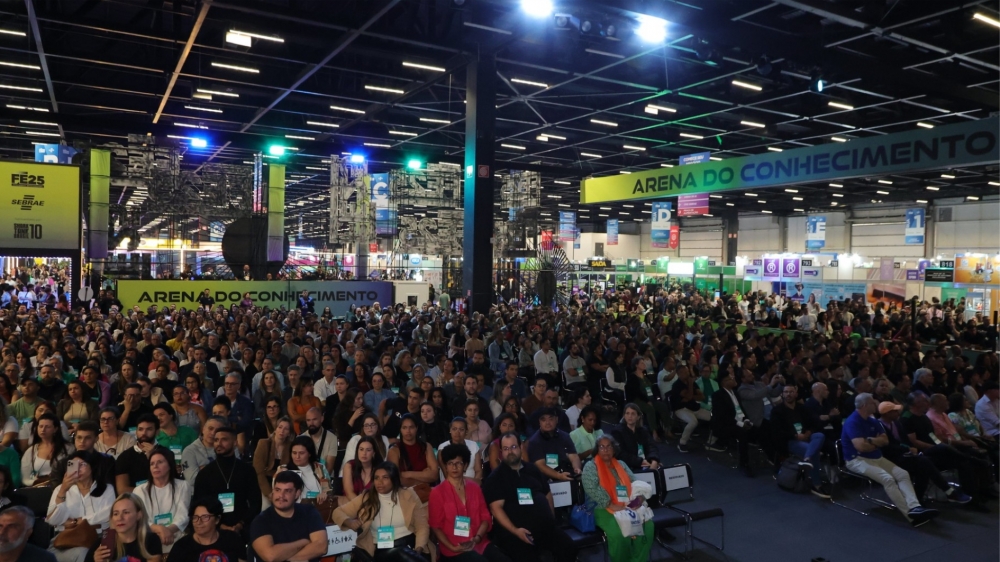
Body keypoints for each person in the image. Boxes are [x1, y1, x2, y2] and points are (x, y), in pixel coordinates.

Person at [841, 393, 940, 527]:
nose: (875, 404)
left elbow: (885, 440)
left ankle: (915, 507)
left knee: (902, 474)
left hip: (876, 457)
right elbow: (861, 447)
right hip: (857, 460)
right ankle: (910, 515)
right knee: (888, 479)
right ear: (864, 405)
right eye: (872, 402)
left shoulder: (872, 420)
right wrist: (876, 442)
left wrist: (870, 440)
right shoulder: (852, 421)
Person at [482, 433, 577, 562]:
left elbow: (547, 494)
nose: (510, 452)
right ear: (501, 452)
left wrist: (550, 520)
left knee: (569, 548)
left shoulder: (532, 469)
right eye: (506, 448)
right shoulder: (496, 478)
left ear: (521, 447)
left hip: (545, 528)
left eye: (513, 447)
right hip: (515, 533)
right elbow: (496, 509)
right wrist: (516, 530)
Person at [332, 462, 431, 561]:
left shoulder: (408, 495)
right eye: (376, 478)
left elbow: (422, 526)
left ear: (394, 479)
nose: (380, 482)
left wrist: (418, 550)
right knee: (397, 553)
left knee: (402, 552)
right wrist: (349, 522)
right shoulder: (366, 497)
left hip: (409, 545)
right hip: (381, 550)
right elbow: (337, 512)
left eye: (385, 478)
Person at [429, 443, 511, 562]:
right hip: (454, 548)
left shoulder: (475, 488)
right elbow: (436, 527)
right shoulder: (437, 492)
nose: (454, 467)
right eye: (450, 463)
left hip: (479, 542)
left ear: (465, 465)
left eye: (459, 463)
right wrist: (452, 547)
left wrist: (477, 538)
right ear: (445, 466)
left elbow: (485, 518)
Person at [581, 434, 654, 562]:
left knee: (647, 527)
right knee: (619, 534)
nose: (605, 450)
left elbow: (635, 482)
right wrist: (610, 504)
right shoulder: (591, 466)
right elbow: (591, 488)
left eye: (609, 446)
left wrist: (640, 498)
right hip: (602, 508)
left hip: (626, 505)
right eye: (602, 447)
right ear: (597, 450)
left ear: (614, 449)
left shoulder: (621, 464)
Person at [193, 427, 261, 541]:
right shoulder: (205, 474)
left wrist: (240, 524)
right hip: (212, 526)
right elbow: (198, 504)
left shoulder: (247, 470)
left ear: (235, 443)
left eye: (224, 439)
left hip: (243, 525)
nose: (219, 443)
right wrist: (220, 525)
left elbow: (256, 503)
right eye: (216, 440)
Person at [45, 450, 114, 562]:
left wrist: (78, 521)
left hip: (99, 538)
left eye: (82, 465)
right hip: (65, 540)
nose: (77, 469)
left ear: (92, 467)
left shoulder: (106, 489)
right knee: (83, 553)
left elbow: (108, 515)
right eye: (73, 465)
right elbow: (52, 520)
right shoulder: (60, 489)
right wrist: (63, 490)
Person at [771, 385, 830, 498]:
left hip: (806, 437)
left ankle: (807, 458)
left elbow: (814, 423)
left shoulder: (802, 408)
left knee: (819, 435)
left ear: (796, 394)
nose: (788, 394)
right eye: (786, 392)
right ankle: (816, 484)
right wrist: (795, 436)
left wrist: (809, 432)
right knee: (814, 452)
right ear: (782, 394)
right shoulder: (777, 411)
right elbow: (777, 432)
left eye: (791, 392)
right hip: (790, 440)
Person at [133, 447, 190, 555]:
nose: (155, 466)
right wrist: (160, 529)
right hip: (149, 540)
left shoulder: (183, 486)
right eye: (152, 463)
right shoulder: (139, 490)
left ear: (170, 465)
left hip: (176, 538)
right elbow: (140, 519)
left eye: (160, 462)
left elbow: (183, 516)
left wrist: (168, 531)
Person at [166, 496, 247, 562]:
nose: (199, 522)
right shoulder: (182, 546)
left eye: (205, 517)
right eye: (195, 517)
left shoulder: (232, 539)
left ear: (217, 519)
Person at [708, 372, 757, 477]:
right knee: (743, 434)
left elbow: (741, 409)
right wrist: (741, 424)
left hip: (738, 421)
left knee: (759, 428)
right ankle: (744, 464)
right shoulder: (717, 396)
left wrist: (746, 420)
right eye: (730, 378)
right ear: (724, 382)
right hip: (725, 425)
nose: (734, 379)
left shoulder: (735, 393)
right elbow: (723, 416)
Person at [89, 493, 163, 562]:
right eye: (116, 514)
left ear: (139, 515)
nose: (119, 518)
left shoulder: (151, 540)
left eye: (126, 512)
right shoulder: (101, 545)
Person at [386, 414, 439, 503]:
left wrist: (407, 474)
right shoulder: (394, 450)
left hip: (427, 494)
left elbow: (434, 475)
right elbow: (396, 479)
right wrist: (423, 478)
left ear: (416, 428)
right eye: (404, 427)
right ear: (400, 429)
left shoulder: (426, 446)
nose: (408, 431)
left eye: (411, 427)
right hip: (404, 495)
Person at [526, 407, 581, 482]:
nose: (547, 422)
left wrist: (576, 468)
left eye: (551, 419)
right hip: (545, 480)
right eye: (543, 420)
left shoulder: (565, 436)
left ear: (556, 420)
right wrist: (559, 476)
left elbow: (574, 456)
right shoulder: (534, 441)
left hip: (566, 475)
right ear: (539, 422)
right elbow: (540, 465)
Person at [21, 412, 74, 486]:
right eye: (40, 426)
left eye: (47, 427)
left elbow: (72, 472)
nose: (43, 429)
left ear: (55, 429)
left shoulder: (68, 449)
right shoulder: (31, 451)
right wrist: (37, 483)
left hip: (61, 485)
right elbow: (25, 478)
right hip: (37, 487)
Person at [281, 436, 332, 508]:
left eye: (301, 453)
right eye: (294, 453)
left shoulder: (319, 467)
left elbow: (328, 489)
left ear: (309, 454)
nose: (297, 457)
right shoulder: (284, 470)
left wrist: (324, 494)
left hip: (317, 507)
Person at [668, 365, 710, 453]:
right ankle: (682, 443)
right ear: (679, 374)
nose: (687, 374)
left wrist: (689, 397)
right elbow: (689, 396)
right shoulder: (676, 385)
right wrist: (690, 385)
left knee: (713, 416)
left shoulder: (693, 383)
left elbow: (701, 397)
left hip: (694, 407)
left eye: (687, 371)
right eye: (684, 372)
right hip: (681, 409)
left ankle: (712, 441)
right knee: (693, 422)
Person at [115, 413, 158, 493]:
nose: (144, 433)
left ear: (157, 432)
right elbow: (122, 490)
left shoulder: (166, 454)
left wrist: (152, 457)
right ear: (136, 431)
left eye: (149, 429)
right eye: (140, 429)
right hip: (135, 499)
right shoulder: (125, 457)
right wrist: (147, 493)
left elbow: (168, 484)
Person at [252, 417, 293, 501]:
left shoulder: (291, 447)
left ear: (289, 433)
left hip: (282, 484)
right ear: (275, 429)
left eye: (286, 429)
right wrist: (269, 494)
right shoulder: (263, 443)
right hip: (264, 483)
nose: (282, 431)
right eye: (280, 427)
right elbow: (258, 472)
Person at [611, 403, 659, 472]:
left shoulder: (643, 430)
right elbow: (620, 454)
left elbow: (652, 446)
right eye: (627, 413)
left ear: (638, 417)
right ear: (624, 416)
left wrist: (654, 460)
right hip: (628, 467)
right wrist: (640, 461)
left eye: (633, 414)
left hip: (646, 463)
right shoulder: (617, 432)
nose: (630, 416)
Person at [181, 416, 229, 484]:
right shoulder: (189, 451)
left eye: (217, 431)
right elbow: (192, 480)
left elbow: (235, 475)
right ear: (203, 429)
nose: (213, 433)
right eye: (210, 428)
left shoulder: (230, 448)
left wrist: (205, 470)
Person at [341, 413, 390, 477]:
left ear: (377, 426)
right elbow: (349, 463)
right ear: (363, 427)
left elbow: (386, 462)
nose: (370, 428)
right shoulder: (355, 440)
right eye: (366, 425)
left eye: (373, 424)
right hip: (355, 474)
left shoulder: (384, 439)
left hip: (378, 475)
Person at [437, 417, 483, 485]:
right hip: (450, 486)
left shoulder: (473, 445)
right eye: (454, 429)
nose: (457, 432)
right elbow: (447, 475)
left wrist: (474, 485)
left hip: (472, 485)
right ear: (450, 430)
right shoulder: (442, 448)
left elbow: (478, 470)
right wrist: (469, 482)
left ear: (466, 431)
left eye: (461, 429)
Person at [343, 436, 384, 502]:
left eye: (368, 450)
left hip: (373, 504)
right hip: (351, 503)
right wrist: (362, 505)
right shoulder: (349, 466)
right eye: (361, 449)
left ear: (374, 453)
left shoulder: (381, 469)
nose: (364, 453)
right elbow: (349, 492)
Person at [301, 407, 338, 476]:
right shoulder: (301, 439)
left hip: (325, 477)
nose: (311, 423)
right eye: (308, 420)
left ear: (322, 419)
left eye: (314, 419)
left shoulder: (332, 438)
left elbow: (329, 468)